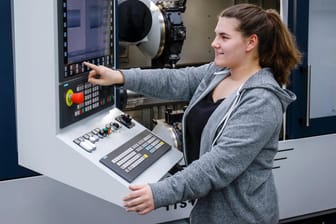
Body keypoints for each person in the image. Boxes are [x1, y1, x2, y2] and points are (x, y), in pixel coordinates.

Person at [84, 3, 301, 224]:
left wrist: (160, 193)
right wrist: (120, 76)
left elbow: (218, 165)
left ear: (251, 42)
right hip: (207, 215)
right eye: (216, 35)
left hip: (242, 217)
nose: (214, 43)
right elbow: (175, 80)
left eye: (224, 37)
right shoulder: (219, 72)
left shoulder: (262, 100)